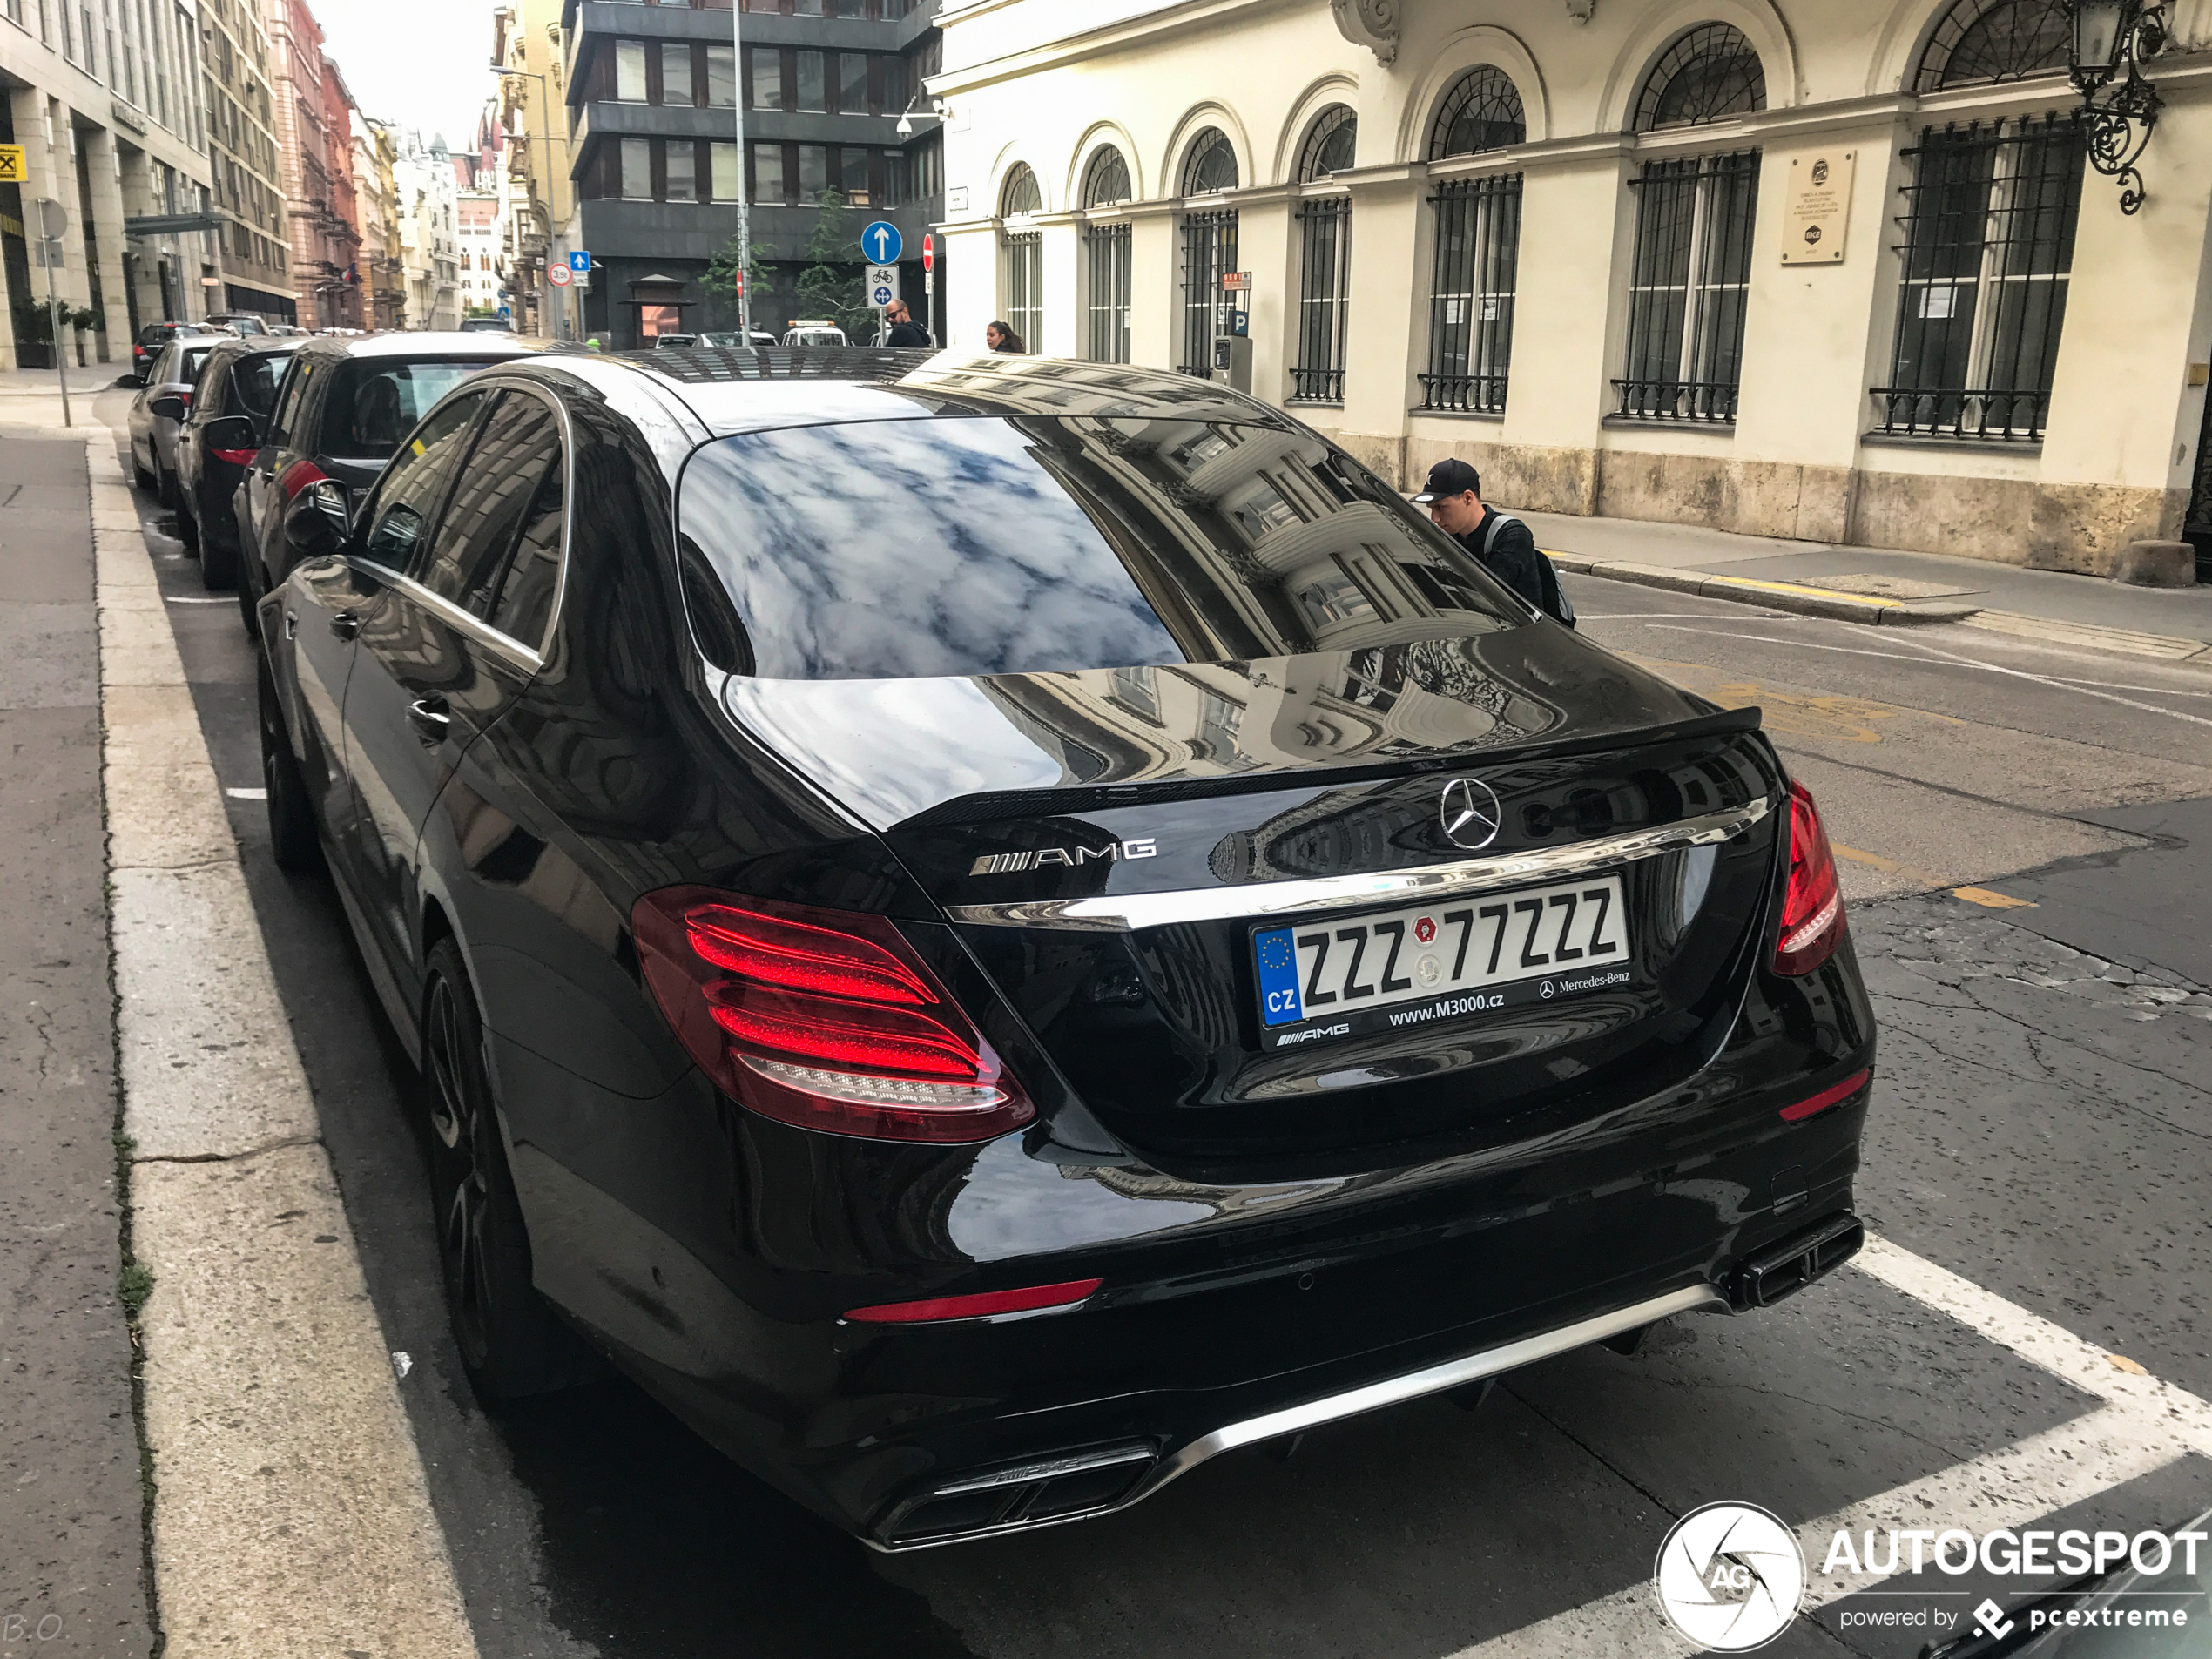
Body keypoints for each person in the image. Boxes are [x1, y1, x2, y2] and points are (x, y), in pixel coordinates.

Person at [1411, 457, 1575, 627]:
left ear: (1468, 498)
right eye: (1431, 509)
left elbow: (1487, 598)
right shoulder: (1449, 536)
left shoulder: (1511, 534)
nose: (1434, 518)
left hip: (1523, 640)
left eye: (1441, 507)